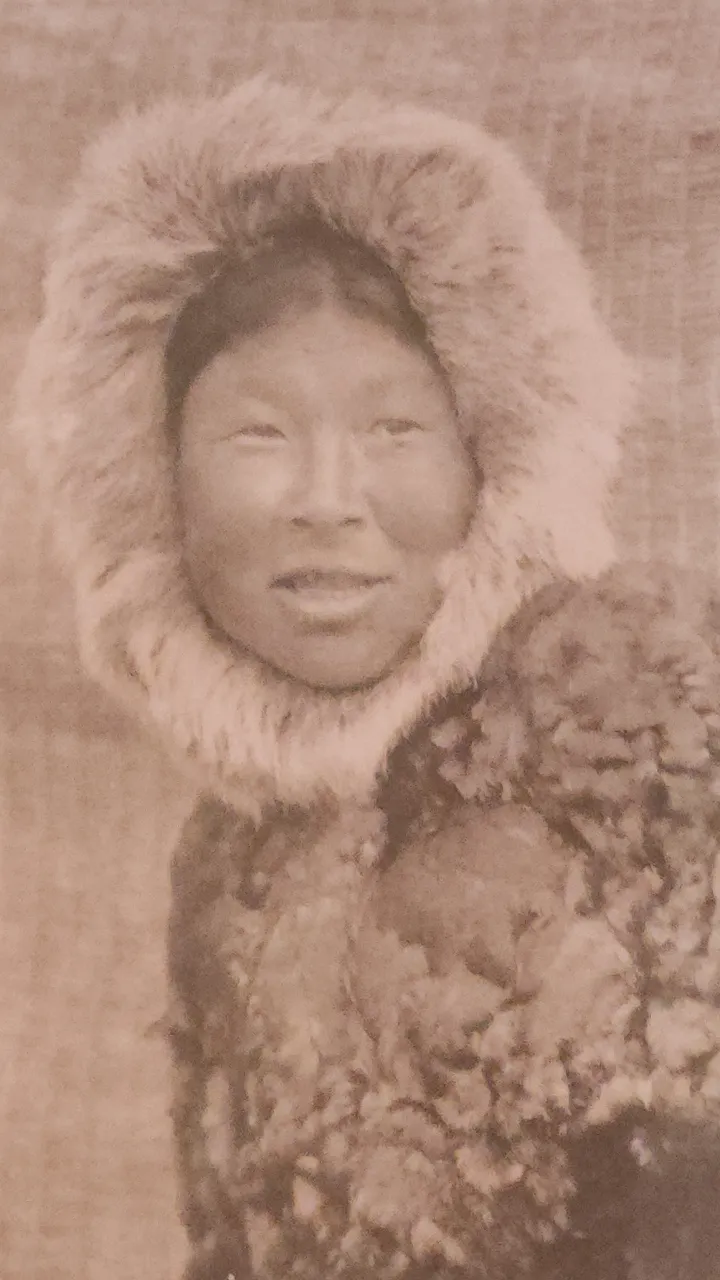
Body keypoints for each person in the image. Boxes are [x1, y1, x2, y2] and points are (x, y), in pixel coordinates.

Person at [14, 78, 719, 1278]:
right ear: (156, 483)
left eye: (395, 430)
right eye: (260, 434)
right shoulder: (233, 855)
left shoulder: (657, 748)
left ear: (492, 458)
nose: (328, 500)